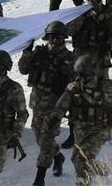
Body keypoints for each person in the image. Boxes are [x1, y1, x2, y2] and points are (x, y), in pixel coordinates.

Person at [50, 55, 112, 186]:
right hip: (80, 130)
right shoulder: (73, 88)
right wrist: (54, 121)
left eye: (85, 75)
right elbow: (60, 107)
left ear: (93, 73)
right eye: (80, 75)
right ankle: (103, 170)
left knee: (81, 162)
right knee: (76, 159)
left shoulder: (108, 86)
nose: (82, 78)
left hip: (101, 129)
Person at [19, 21, 75, 185]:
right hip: (37, 104)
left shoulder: (70, 59)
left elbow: (74, 86)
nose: (55, 40)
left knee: (46, 141)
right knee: (39, 136)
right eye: (52, 37)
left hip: (55, 107)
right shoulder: (39, 53)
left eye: (59, 38)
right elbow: (23, 69)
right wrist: (27, 53)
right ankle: (58, 156)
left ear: (64, 38)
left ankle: (39, 178)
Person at [0, 49, 29, 184]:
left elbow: (22, 114)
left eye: (1, 67)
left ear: (7, 68)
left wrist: (16, 135)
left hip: (1, 136)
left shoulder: (14, 89)